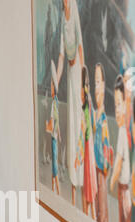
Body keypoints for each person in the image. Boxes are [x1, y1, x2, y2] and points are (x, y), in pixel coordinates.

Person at [57, 0, 84, 207]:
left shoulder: (73, 8)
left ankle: (81, 173)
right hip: (68, 75)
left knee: (79, 120)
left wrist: (83, 82)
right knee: (70, 126)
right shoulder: (61, 14)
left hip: (77, 74)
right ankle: (72, 172)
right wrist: (55, 81)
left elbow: (80, 45)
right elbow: (61, 54)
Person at [110, 75, 132, 222]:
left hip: (124, 189)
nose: (117, 109)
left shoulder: (124, 132)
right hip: (125, 189)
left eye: (120, 104)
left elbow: (118, 161)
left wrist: (112, 180)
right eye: (115, 104)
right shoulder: (125, 131)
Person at [76, 66, 97, 220]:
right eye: (85, 85)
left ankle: (90, 214)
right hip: (84, 147)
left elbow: (93, 126)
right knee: (85, 182)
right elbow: (81, 130)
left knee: (90, 182)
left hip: (89, 146)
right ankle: (85, 214)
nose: (86, 88)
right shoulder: (81, 107)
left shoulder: (89, 105)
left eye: (88, 84)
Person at [94, 63, 113, 222]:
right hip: (95, 166)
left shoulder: (103, 118)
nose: (96, 87)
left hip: (101, 169)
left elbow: (106, 143)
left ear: (105, 84)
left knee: (102, 206)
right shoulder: (95, 114)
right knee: (96, 206)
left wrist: (105, 166)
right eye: (95, 83)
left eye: (99, 82)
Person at [46, 61, 61, 195]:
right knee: (53, 162)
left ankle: (57, 189)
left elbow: (54, 121)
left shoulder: (54, 103)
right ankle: (53, 188)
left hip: (54, 137)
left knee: (55, 164)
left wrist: (48, 126)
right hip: (55, 135)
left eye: (51, 85)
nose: (50, 88)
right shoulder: (55, 101)